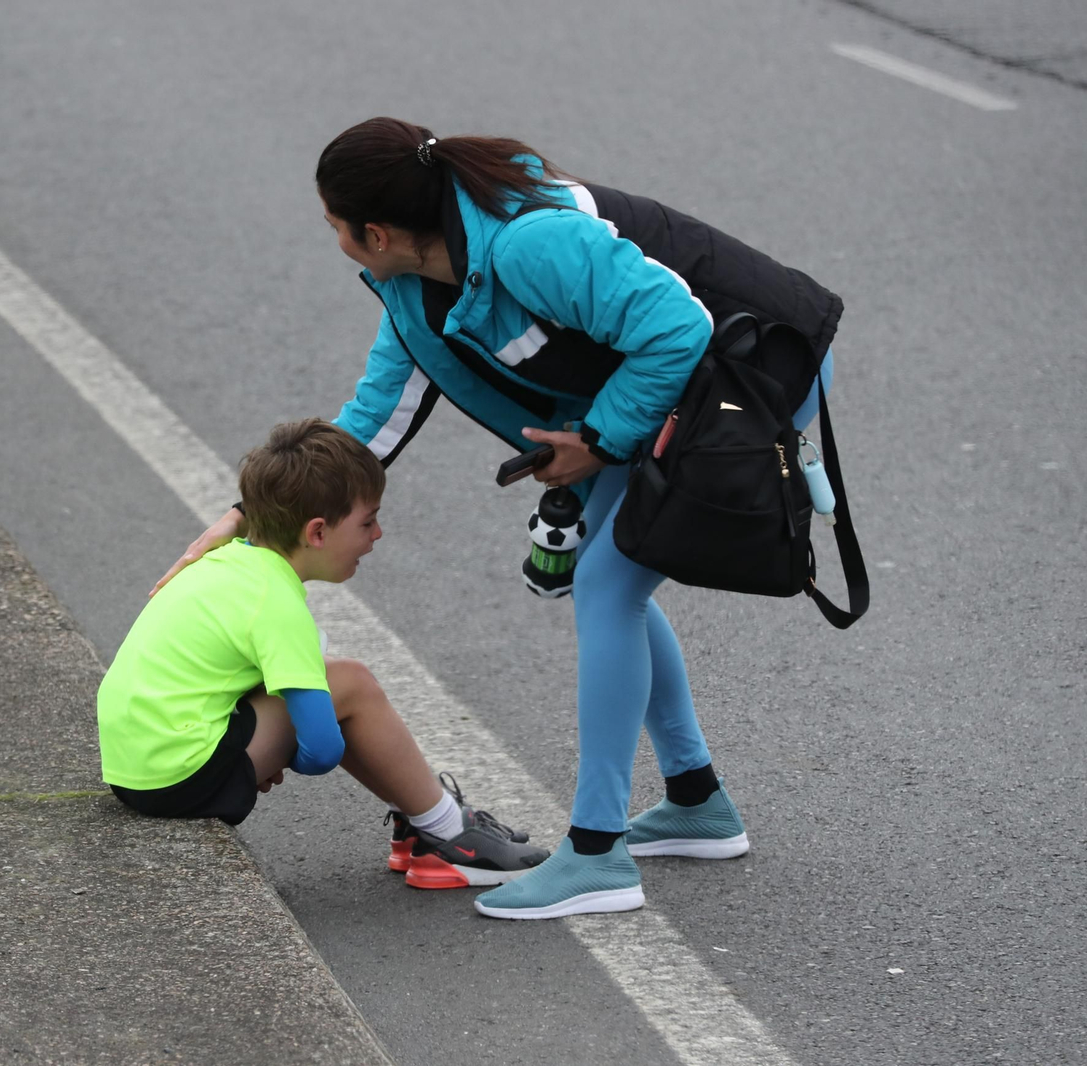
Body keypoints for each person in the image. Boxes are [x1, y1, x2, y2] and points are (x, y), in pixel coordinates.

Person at [152, 117, 841, 920]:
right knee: (609, 580)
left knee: (608, 585)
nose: (334, 242)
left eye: (334, 228)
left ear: (376, 232)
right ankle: (695, 802)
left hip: (753, 364)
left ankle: (597, 857)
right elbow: (380, 412)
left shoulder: (526, 244)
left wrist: (595, 439)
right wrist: (242, 518)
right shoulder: (410, 283)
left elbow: (677, 329)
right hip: (664, 383)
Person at [101, 417, 549, 889]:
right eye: (368, 521)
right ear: (317, 532)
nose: (377, 535)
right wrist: (283, 751)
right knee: (351, 683)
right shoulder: (275, 602)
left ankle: (423, 815)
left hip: (136, 768)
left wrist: (272, 737)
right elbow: (322, 751)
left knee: (327, 686)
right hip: (180, 776)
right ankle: (450, 837)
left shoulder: (228, 560)